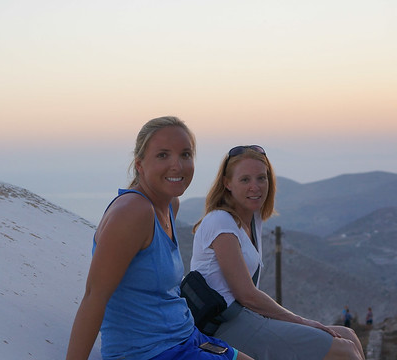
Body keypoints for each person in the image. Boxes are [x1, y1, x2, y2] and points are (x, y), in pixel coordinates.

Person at [66, 117, 252, 360]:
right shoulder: (132, 212)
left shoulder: (170, 206)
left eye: (185, 154)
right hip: (149, 352)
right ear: (140, 164)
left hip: (186, 337)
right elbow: (94, 296)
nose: (177, 165)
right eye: (163, 155)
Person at [190, 145, 365, 360]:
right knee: (344, 351)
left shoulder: (252, 220)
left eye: (261, 178)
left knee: (348, 334)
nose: (255, 187)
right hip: (225, 325)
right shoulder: (220, 221)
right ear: (227, 183)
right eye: (245, 180)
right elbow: (246, 295)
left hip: (246, 318)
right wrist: (302, 321)